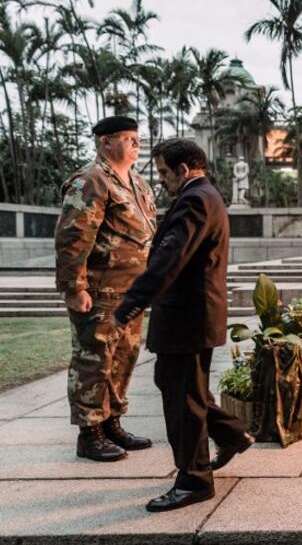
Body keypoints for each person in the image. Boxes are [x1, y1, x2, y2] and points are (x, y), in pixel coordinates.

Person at [112, 139, 253, 512]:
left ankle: (194, 480)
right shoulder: (206, 195)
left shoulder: (195, 199)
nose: (161, 180)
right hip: (192, 316)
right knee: (181, 388)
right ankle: (232, 433)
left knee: (183, 401)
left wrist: (132, 301)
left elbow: (170, 258)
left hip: (186, 317)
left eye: (163, 172)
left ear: (184, 169)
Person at [55, 115, 156, 462]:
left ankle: (112, 422)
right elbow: (72, 239)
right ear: (105, 142)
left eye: (136, 138)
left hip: (131, 292)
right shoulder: (91, 180)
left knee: (123, 359)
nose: (135, 144)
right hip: (99, 291)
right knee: (93, 361)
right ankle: (90, 433)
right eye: (127, 138)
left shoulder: (138, 183)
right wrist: (73, 287)